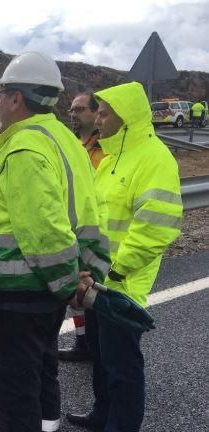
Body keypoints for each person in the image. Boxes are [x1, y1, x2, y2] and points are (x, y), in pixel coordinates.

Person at [0, 52, 110, 432]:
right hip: (51, 287)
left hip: (20, 289)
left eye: (2, 95)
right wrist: (84, 273)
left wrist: (69, 283)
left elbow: (44, 230)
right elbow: (92, 209)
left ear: (17, 98)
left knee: (13, 394)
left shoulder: (23, 149)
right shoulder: (67, 141)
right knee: (41, 370)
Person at [67, 81, 182, 432]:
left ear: (125, 116)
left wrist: (116, 273)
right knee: (101, 357)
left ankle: (121, 425)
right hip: (99, 278)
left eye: (103, 113)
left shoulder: (153, 158)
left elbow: (156, 226)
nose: (97, 119)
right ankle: (102, 414)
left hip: (122, 282)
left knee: (122, 364)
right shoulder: (112, 158)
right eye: (97, 113)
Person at [58, 91, 104, 361]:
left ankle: (97, 343)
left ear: (95, 113)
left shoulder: (106, 146)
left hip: (95, 227)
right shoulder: (71, 144)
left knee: (93, 287)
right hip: (72, 224)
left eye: (80, 109)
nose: (73, 114)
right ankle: (83, 342)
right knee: (75, 289)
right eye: (71, 110)